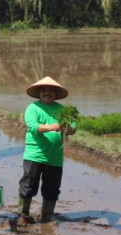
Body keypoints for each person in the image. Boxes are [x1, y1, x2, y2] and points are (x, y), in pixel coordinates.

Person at [17, 76, 77, 225]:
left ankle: (47, 216)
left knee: (52, 189)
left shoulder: (63, 110)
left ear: (56, 94)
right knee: (28, 186)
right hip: (35, 156)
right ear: (39, 93)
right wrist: (54, 127)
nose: (47, 93)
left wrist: (69, 128)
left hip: (55, 158)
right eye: (44, 90)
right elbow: (33, 127)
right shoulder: (33, 108)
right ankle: (23, 215)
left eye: (51, 91)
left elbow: (73, 128)